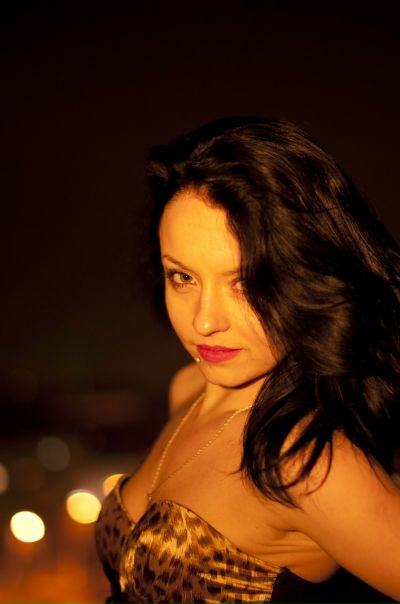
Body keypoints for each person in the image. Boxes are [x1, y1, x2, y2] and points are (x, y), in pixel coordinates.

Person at [95, 117, 400, 603]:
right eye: (183, 277)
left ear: (306, 277)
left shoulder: (304, 460)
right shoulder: (187, 387)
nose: (204, 322)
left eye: (246, 283)